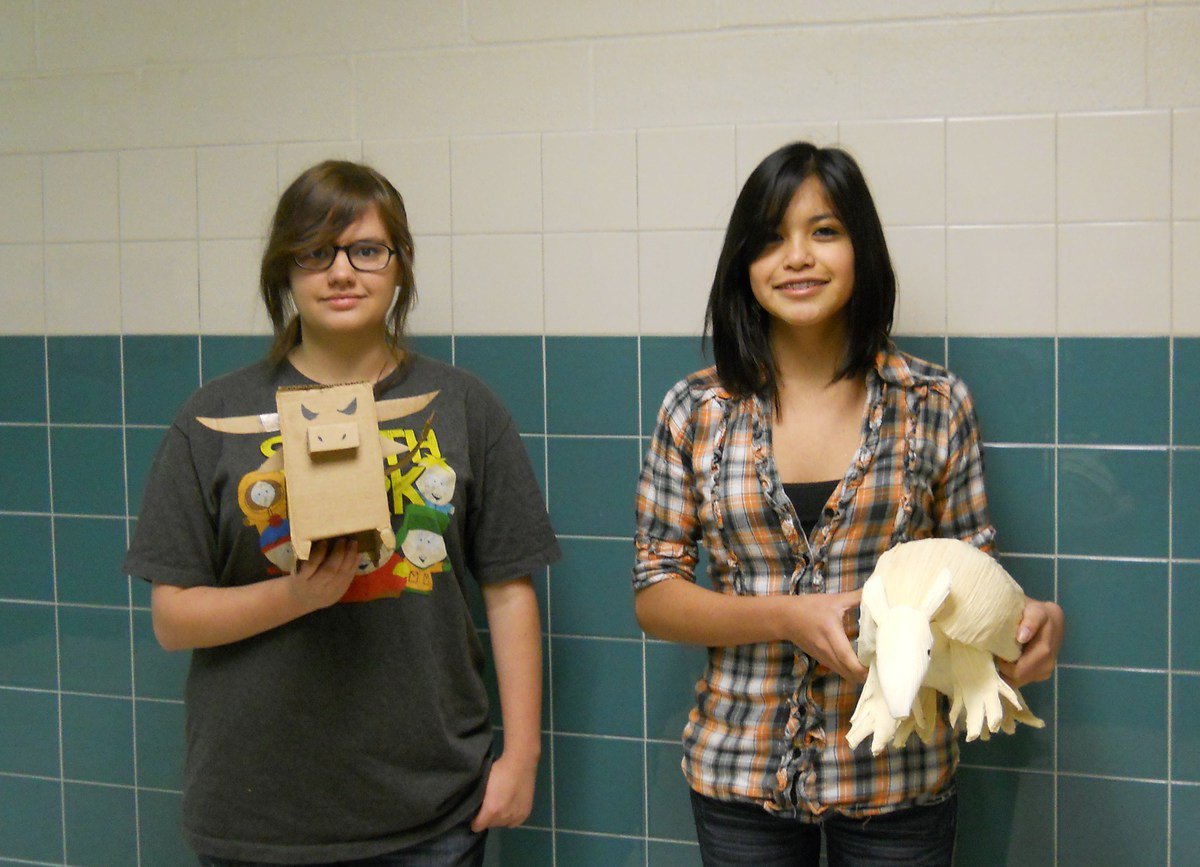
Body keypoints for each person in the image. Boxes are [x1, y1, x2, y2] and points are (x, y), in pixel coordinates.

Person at [632, 142, 1063, 866]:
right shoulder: (695, 409)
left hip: (900, 770)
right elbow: (655, 594)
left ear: (862, 247)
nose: (796, 256)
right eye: (771, 238)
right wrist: (783, 616)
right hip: (739, 768)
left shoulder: (934, 403)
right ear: (745, 263)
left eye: (824, 231)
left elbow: (970, 576)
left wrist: (1027, 623)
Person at [124, 161, 559, 865]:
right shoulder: (213, 418)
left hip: (431, 808)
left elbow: (509, 589)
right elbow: (173, 620)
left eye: (366, 250)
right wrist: (296, 595)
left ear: (400, 265)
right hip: (258, 813)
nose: (341, 272)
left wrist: (523, 756)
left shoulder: (464, 407)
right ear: (285, 273)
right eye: (315, 253)